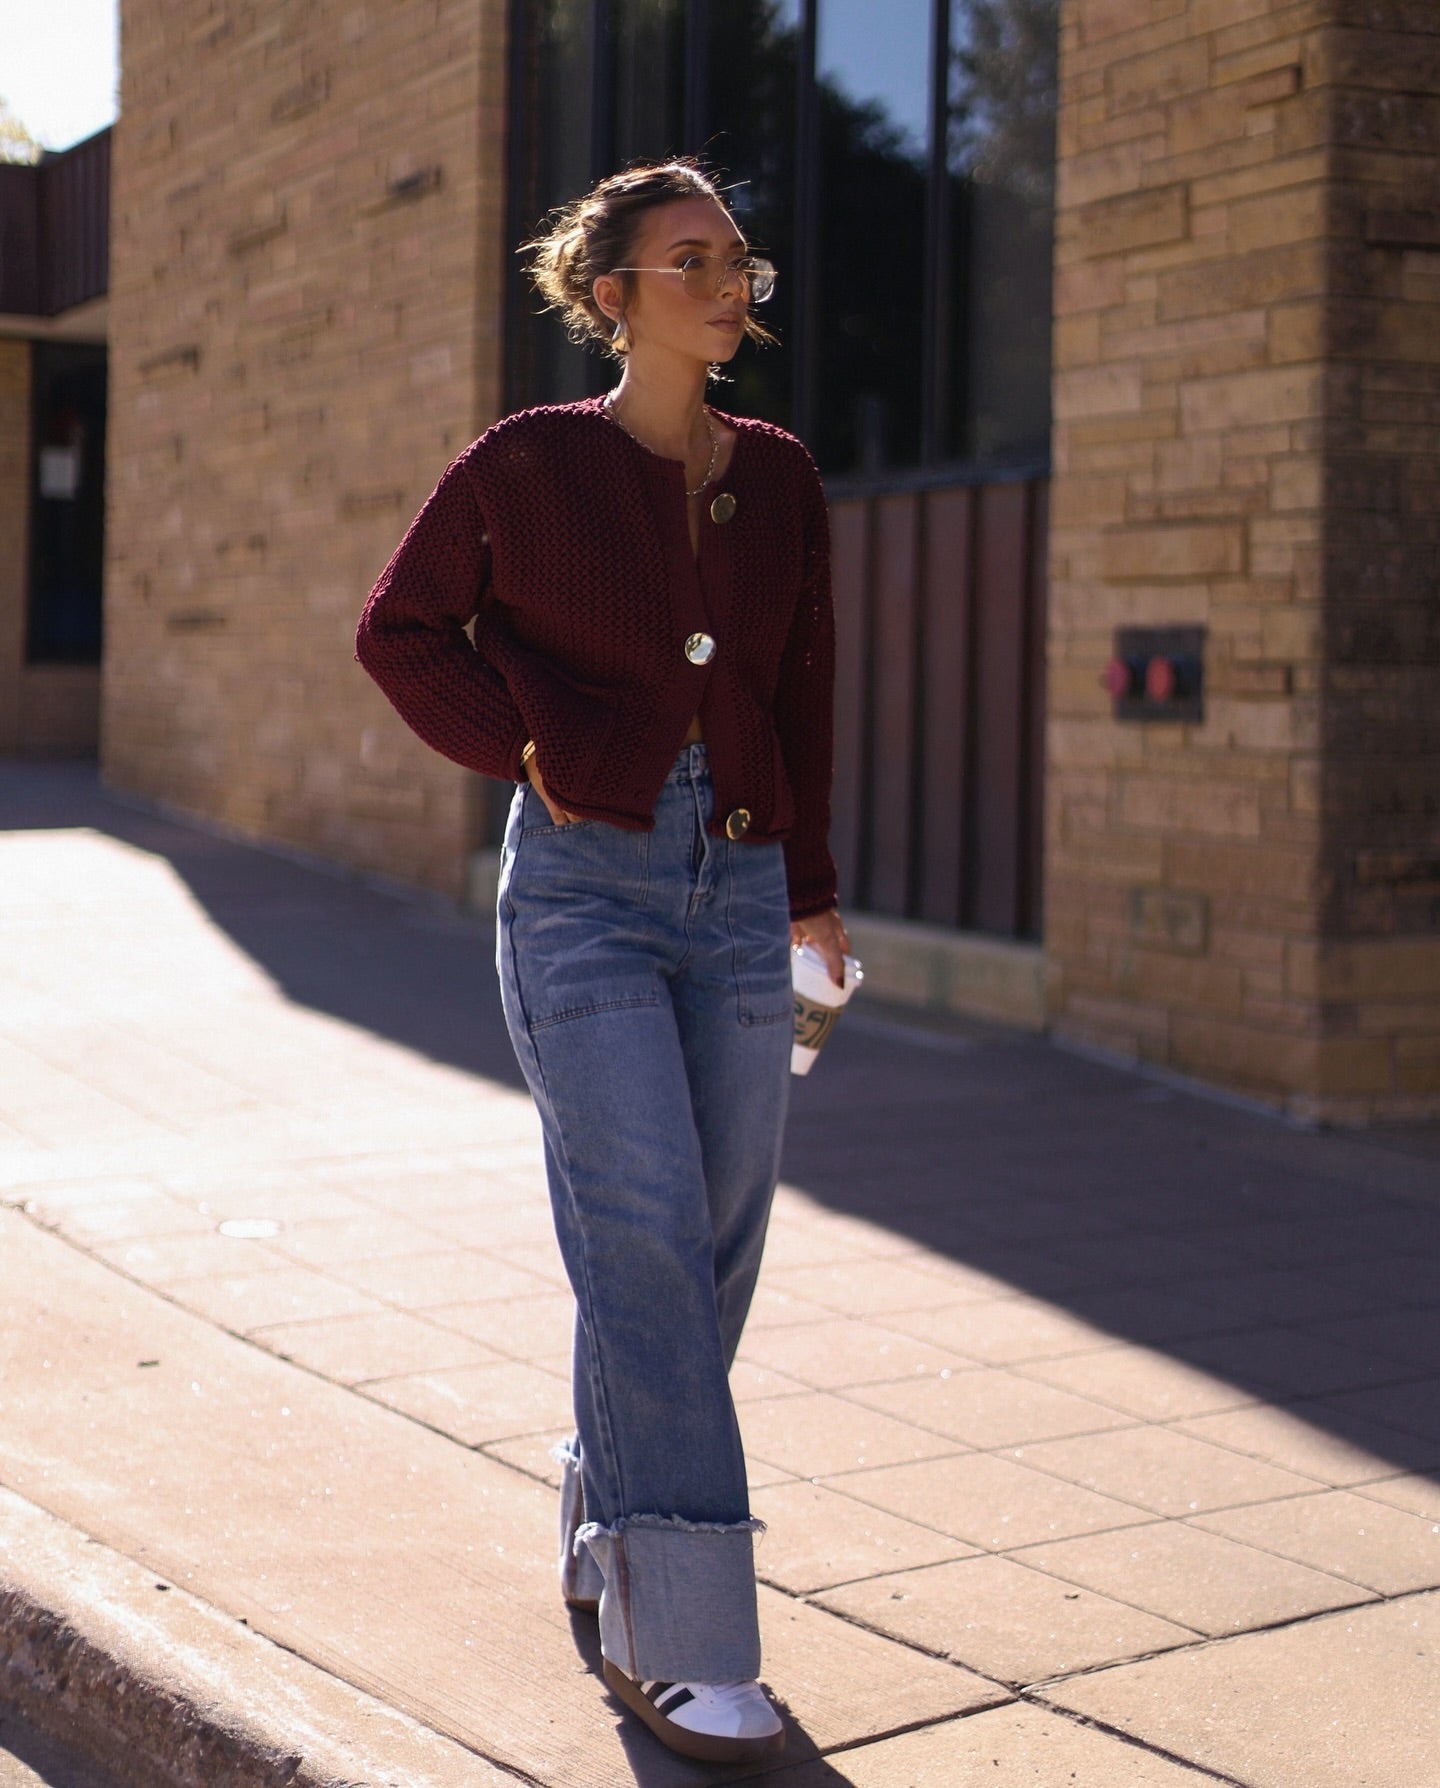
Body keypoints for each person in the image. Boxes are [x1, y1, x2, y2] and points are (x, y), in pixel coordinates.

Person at [354, 160, 847, 1766]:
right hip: (584, 883)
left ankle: (603, 1497)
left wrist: (815, 894)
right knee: (636, 1225)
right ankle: (687, 1638)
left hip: (745, 877)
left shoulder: (778, 479)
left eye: (739, 259)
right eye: (690, 259)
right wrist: (521, 747)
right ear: (611, 292)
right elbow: (400, 631)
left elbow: (805, 694)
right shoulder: (526, 466)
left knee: (709, 1239)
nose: (729, 281)